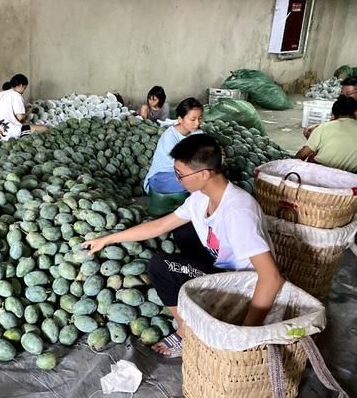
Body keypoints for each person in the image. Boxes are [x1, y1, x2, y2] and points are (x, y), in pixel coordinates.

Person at [83, 134, 284, 358]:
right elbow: (160, 225)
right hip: (221, 262)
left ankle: (185, 331)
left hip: (240, 285)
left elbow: (271, 278)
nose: (177, 179)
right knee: (182, 230)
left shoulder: (238, 212)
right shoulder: (201, 196)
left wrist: (245, 334)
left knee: (159, 266)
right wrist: (107, 239)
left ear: (204, 174)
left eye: (180, 175)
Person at [142, 98, 203, 194]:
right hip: (161, 178)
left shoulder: (198, 133)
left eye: (200, 118)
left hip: (187, 175)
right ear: (180, 119)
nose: (197, 123)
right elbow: (181, 166)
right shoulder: (170, 136)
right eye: (193, 119)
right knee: (201, 181)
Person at [295, 95, 357, 172]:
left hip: (320, 172)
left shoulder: (323, 127)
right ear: (355, 113)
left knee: (312, 154)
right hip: (351, 177)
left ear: (333, 114)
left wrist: (291, 166)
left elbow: (303, 154)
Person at [0, 74, 47, 141]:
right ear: (21, 85)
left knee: (26, 124)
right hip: (11, 132)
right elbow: (20, 118)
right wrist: (29, 111)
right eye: (24, 88)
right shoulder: (16, 95)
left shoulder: (0, 94)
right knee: (45, 129)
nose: (23, 91)